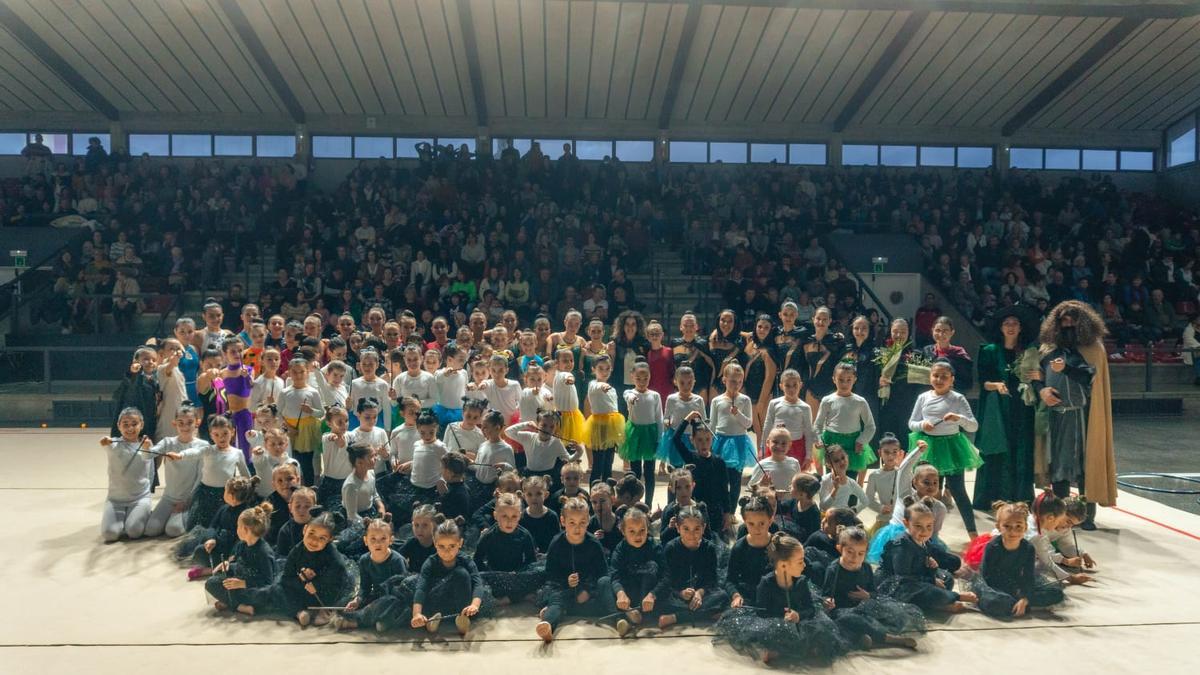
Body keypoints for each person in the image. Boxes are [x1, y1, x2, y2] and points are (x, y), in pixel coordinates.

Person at [1031, 301, 1116, 530]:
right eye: (1063, 320)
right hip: (1054, 416)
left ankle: (1086, 515)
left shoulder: (1093, 348)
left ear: (1083, 322)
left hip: (1083, 416)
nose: (1068, 324)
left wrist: (1067, 369)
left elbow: (1092, 379)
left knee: (1084, 465)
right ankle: (1060, 513)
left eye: (1072, 319)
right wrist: (1042, 390)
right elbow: (1035, 373)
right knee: (1058, 465)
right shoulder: (1048, 347)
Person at [972, 307, 1038, 509]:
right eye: (1006, 324)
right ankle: (992, 497)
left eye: (1014, 324)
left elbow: (1035, 378)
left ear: (1020, 328)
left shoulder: (1028, 352)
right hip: (997, 409)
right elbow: (983, 382)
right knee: (996, 450)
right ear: (1001, 328)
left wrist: (1037, 379)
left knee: (1020, 449)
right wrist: (996, 385)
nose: (1010, 327)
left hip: (1021, 409)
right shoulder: (989, 351)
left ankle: (1020, 496)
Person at [908, 360, 981, 538]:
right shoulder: (923, 397)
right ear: (930, 377)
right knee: (929, 492)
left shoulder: (958, 398)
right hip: (928, 447)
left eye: (944, 377)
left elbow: (973, 426)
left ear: (952, 380)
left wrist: (958, 418)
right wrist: (922, 424)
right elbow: (911, 423)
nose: (939, 379)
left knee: (958, 490)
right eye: (936, 376)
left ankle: (973, 534)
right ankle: (929, 533)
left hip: (951, 448)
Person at [822, 527, 921, 649]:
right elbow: (826, 595)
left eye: (860, 554)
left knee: (887, 613)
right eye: (850, 552)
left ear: (866, 552)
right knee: (849, 620)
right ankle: (890, 639)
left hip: (863, 606)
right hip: (841, 610)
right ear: (840, 549)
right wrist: (828, 602)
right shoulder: (833, 570)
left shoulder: (866, 568)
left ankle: (864, 637)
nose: (855, 558)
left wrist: (868, 596)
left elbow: (874, 592)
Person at [535, 496, 611, 642]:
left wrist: (588, 591)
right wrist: (566, 581)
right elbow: (550, 575)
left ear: (588, 521)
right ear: (563, 522)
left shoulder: (594, 544)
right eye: (572, 523)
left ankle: (555, 610)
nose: (577, 528)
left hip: (587, 589)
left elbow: (603, 573)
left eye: (582, 523)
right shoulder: (557, 543)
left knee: (598, 603)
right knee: (556, 597)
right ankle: (548, 625)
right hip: (562, 588)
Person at [971, 501, 1064, 618]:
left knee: (1057, 593)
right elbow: (988, 577)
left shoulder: (1028, 548)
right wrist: (1015, 591)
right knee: (996, 601)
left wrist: (1025, 598)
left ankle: (1019, 604)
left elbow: (1028, 577)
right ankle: (1014, 604)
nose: (1013, 531)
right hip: (995, 585)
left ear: (1025, 527)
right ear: (998, 527)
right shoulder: (992, 547)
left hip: (1018, 583)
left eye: (1018, 526)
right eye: (1007, 526)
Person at [655, 505, 730, 629]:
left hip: (701, 595)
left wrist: (700, 593)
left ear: (703, 528)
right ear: (678, 528)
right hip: (678, 594)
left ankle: (677, 617)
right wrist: (680, 593)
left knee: (722, 597)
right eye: (686, 529)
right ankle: (706, 614)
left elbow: (711, 578)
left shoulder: (709, 548)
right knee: (660, 600)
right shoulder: (671, 548)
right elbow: (667, 579)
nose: (692, 534)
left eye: (697, 529)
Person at [410, 518, 487, 636]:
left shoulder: (465, 560)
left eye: (452, 546)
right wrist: (416, 614)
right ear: (435, 544)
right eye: (442, 546)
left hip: (460, 604)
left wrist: (474, 605)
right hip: (438, 602)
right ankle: (432, 620)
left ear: (460, 543)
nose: (447, 551)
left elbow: (477, 583)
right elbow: (421, 588)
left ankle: (462, 619)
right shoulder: (430, 563)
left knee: (461, 573)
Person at [334, 518, 409, 632]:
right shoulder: (364, 560)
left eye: (383, 539)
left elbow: (401, 591)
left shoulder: (397, 560)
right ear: (365, 541)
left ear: (391, 540)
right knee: (345, 602)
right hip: (376, 595)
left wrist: (378, 603)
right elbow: (365, 587)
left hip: (392, 598)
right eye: (373, 539)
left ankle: (356, 622)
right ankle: (377, 619)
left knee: (390, 604)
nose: (378, 543)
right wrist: (358, 600)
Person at [204, 502, 277, 615]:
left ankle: (236, 605)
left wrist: (243, 583)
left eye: (238, 526)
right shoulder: (242, 544)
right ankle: (233, 601)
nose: (236, 529)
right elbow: (239, 562)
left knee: (262, 595)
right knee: (211, 583)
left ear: (246, 530)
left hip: (253, 587)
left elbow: (268, 581)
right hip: (240, 580)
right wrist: (228, 564)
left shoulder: (264, 552)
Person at [145, 406, 206, 538]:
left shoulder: (203, 446)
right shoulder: (168, 442)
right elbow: (148, 456)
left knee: (173, 530)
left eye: (190, 422)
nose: (185, 427)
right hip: (168, 497)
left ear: (197, 422)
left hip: (188, 499)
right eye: (181, 423)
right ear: (174, 424)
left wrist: (188, 502)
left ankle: (190, 515)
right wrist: (146, 447)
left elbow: (200, 478)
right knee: (151, 530)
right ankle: (167, 515)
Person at [473, 493, 542, 605]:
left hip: (517, 575)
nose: (509, 521)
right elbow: (477, 560)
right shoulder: (488, 535)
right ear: (496, 515)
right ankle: (517, 597)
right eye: (504, 516)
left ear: (519, 516)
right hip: (495, 576)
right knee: (478, 580)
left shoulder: (524, 535)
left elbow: (531, 560)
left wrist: (519, 572)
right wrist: (490, 572)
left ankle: (510, 598)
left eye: (514, 516)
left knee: (541, 572)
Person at [99, 408, 155, 542]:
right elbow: (104, 442)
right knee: (109, 534)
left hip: (139, 498)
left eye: (134, 424)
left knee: (134, 532)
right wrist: (104, 441)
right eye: (125, 424)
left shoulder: (146, 444)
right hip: (115, 500)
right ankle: (123, 517)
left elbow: (151, 472)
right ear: (118, 426)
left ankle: (141, 512)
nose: (130, 428)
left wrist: (148, 447)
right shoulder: (112, 444)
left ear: (141, 424)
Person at [605, 504, 662, 635]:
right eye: (632, 531)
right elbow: (615, 575)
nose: (638, 536)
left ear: (648, 529)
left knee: (651, 568)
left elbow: (666, 575)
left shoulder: (655, 546)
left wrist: (653, 594)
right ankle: (622, 618)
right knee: (603, 582)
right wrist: (620, 593)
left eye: (642, 530)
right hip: (627, 599)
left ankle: (638, 617)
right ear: (623, 531)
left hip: (647, 598)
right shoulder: (620, 549)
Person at [813, 362, 876, 479]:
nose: (844, 383)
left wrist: (862, 440)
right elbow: (818, 424)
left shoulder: (860, 402)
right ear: (834, 379)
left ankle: (852, 498)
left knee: (850, 479)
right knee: (834, 478)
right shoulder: (827, 400)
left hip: (852, 444)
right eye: (841, 380)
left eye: (848, 380)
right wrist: (819, 439)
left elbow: (870, 426)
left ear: (854, 379)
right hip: (831, 442)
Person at [710, 362, 756, 513]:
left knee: (735, 480)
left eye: (739, 381)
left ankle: (731, 511)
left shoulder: (745, 400)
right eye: (732, 381)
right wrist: (710, 444)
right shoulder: (717, 401)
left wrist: (738, 413)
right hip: (721, 442)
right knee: (720, 479)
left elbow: (748, 423)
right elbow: (713, 424)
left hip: (739, 442)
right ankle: (721, 508)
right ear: (724, 380)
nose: (736, 385)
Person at [621, 361, 663, 504]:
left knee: (650, 472)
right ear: (632, 377)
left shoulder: (655, 395)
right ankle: (635, 500)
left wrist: (659, 438)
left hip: (650, 435)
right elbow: (626, 395)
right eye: (638, 378)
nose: (642, 381)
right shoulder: (629, 393)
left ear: (650, 377)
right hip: (635, 435)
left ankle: (649, 504)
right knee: (635, 471)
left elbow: (659, 417)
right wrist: (631, 398)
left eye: (645, 378)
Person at [760, 369, 817, 467]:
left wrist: (808, 456)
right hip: (777, 446)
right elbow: (767, 427)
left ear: (800, 385)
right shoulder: (774, 403)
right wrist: (763, 449)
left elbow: (808, 433)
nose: (791, 389)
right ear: (781, 386)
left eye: (795, 385)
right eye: (787, 385)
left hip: (797, 448)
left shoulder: (805, 408)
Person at [585, 354, 625, 483]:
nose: (604, 372)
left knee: (609, 462)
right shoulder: (593, 384)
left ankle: (607, 491)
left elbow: (614, 408)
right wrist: (602, 386)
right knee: (598, 463)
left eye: (607, 368)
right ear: (593, 369)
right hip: (599, 427)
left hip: (611, 427)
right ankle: (594, 492)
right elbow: (597, 387)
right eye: (600, 369)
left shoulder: (612, 389)